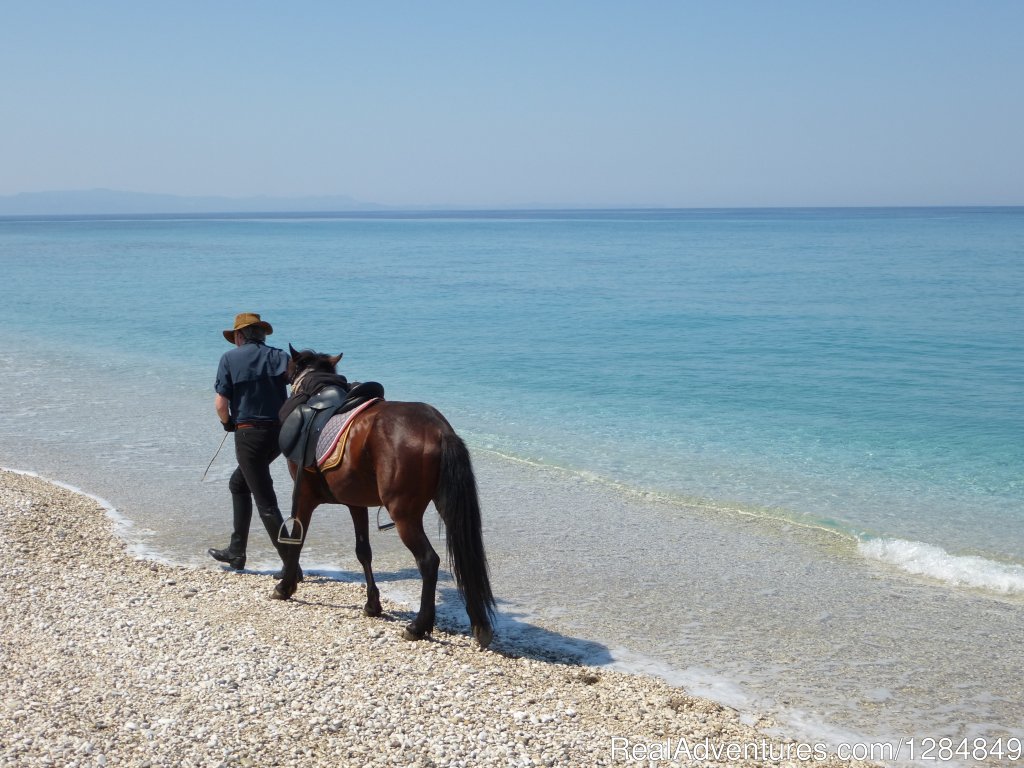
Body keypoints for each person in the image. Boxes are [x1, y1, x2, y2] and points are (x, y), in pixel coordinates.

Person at [207, 312, 295, 577]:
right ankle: (236, 552)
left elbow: (221, 404)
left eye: (234, 335)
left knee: (266, 501)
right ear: (261, 334)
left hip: (249, 435)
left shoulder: (229, 359)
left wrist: (227, 424)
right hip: (280, 435)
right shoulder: (281, 356)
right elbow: (298, 386)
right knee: (239, 483)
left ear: (240, 335)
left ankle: (292, 566)